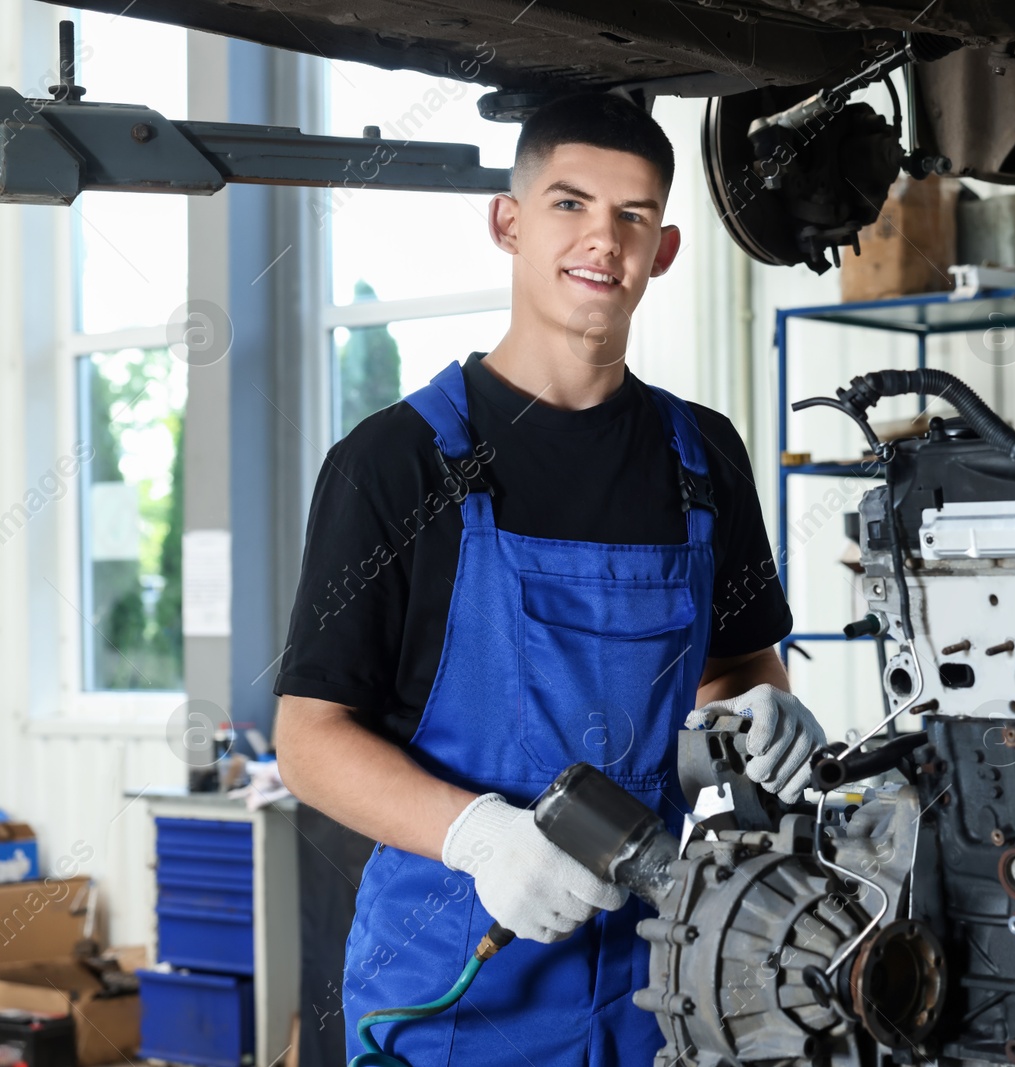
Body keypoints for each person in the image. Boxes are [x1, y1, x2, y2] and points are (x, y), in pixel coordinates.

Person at [273, 92, 827, 1066]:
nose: (601, 240)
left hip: (658, 988)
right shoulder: (393, 463)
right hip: (450, 996)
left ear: (662, 249)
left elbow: (738, 668)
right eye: (569, 204)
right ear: (509, 222)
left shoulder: (703, 456)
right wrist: (481, 834)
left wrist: (758, 720)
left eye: (632, 215)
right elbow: (309, 739)